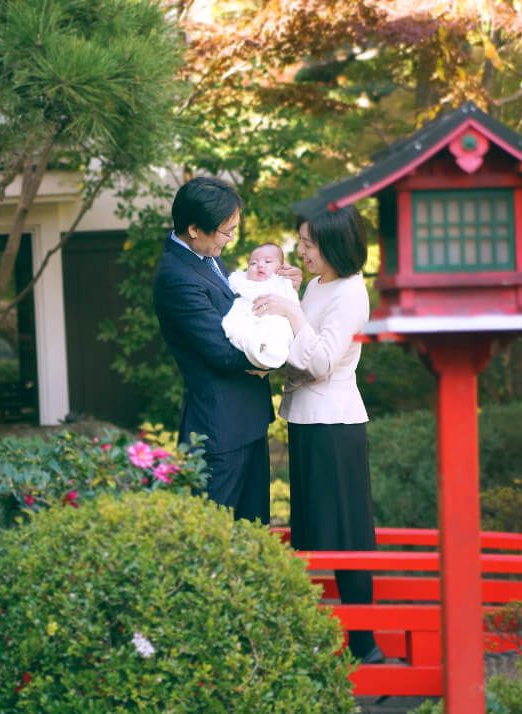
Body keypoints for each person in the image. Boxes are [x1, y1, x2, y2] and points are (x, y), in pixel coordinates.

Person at [253, 204, 383, 664]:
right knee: (311, 533)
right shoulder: (315, 284)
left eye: (308, 243)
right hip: (308, 419)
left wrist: (293, 313)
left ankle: (366, 646)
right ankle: (321, 638)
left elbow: (322, 360)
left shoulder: (351, 293)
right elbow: (298, 351)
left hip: (335, 423)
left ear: (334, 245)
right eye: (302, 241)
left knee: (347, 535)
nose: (301, 251)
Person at [152, 177, 300, 523]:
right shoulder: (176, 276)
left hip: (246, 417)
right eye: (225, 231)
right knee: (216, 531)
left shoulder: (209, 257)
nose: (230, 238)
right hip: (218, 427)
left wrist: (280, 285)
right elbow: (218, 350)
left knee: (254, 528)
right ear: (193, 229)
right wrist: (271, 357)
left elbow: (243, 308)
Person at [220, 243, 300, 370]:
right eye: (253, 263)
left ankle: (269, 352)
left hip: (273, 320)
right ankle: (252, 349)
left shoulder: (282, 284)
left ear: (281, 268)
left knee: (277, 330)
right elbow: (232, 287)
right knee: (236, 324)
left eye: (268, 261)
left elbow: (293, 306)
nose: (260, 265)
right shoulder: (242, 281)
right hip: (247, 316)